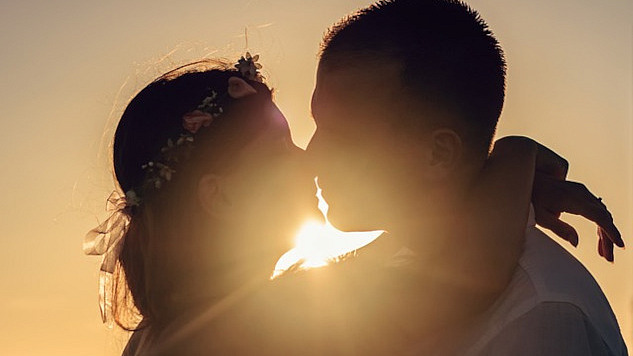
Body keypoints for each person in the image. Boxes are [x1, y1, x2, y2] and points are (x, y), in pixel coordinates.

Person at [306, 0, 627, 354]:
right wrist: (515, 155)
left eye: (341, 134)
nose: (311, 154)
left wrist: (515, 156)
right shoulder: (376, 275)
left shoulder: (538, 314)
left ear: (438, 154)